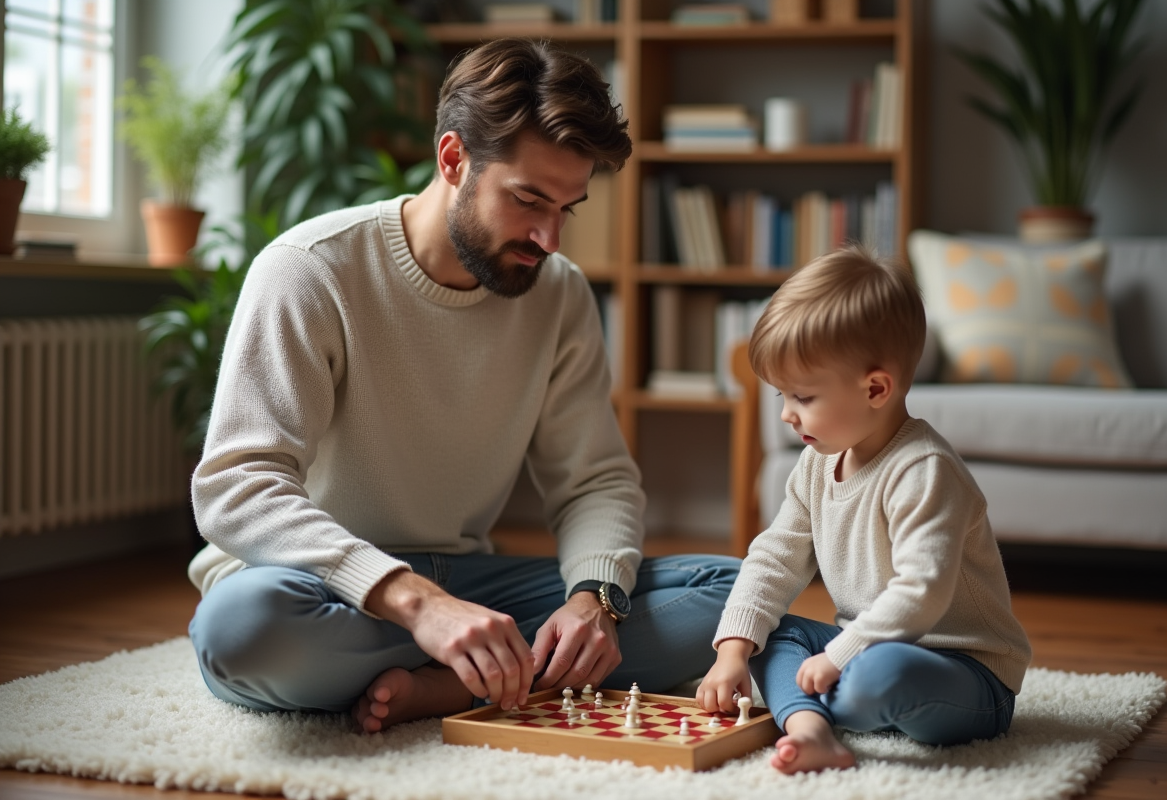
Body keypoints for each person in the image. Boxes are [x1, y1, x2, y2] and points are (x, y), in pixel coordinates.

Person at [187, 38, 739, 733]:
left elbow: (594, 481)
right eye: (529, 199)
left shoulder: (559, 294)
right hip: (315, 585)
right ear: (454, 160)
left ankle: (456, 682)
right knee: (242, 630)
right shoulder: (310, 269)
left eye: (569, 207)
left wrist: (594, 600)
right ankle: (492, 666)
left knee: (734, 592)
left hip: (464, 578)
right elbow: (237, 486)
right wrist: (415, 604)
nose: (551, 238)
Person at [696, 245, 1032, 773]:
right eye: (781, 396)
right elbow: (774, 557)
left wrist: (838, 657)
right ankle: (811, 730)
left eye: (802, 397)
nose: (786, 415)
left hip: (965, 671)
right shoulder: (814, 465)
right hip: (861, 651)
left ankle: (819, 699)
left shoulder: (924, 470)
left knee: (881, 671)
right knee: (774, 633)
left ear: (875, 388)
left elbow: (921, 591)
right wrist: (733, 650)